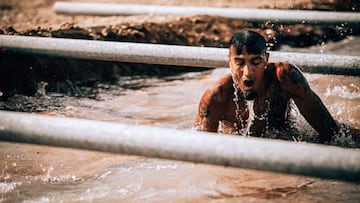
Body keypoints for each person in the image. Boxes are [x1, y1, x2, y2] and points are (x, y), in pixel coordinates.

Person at [193, 30, 339, 143]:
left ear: (266, 60)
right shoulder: (217, 97)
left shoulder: (284, 78)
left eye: (256, 63)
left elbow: (332, 134)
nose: (248, 73)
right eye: (239, 63)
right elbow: (204, 152)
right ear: (229, 61)